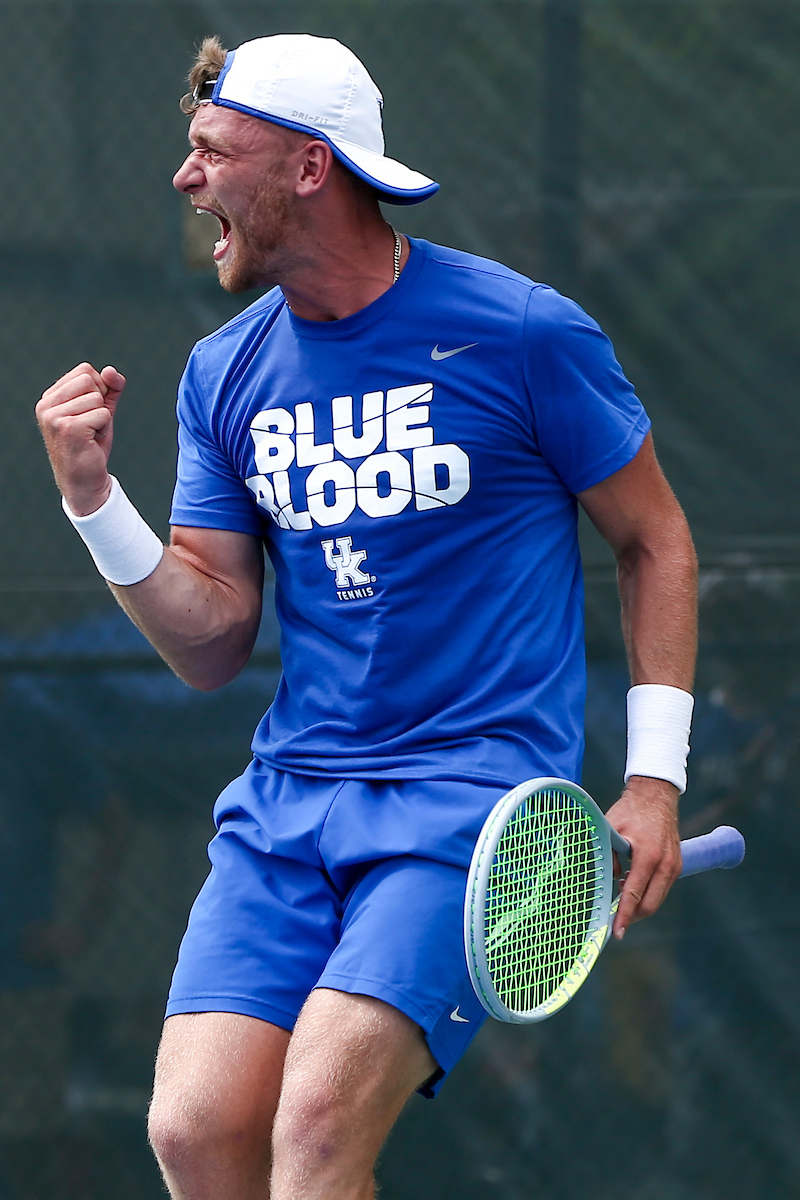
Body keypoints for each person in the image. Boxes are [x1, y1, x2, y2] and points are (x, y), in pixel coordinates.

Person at [35, 32, 698, 1200]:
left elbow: (654, 540)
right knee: (193, 1132)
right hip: (290, 804)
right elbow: (209, 642)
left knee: (319, 1126)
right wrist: (94, 502)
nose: (186, 182)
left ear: (306, 167)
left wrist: (652, 779)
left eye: (209, 151)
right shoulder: (222, 374)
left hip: (468, 798)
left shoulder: (524, 332)